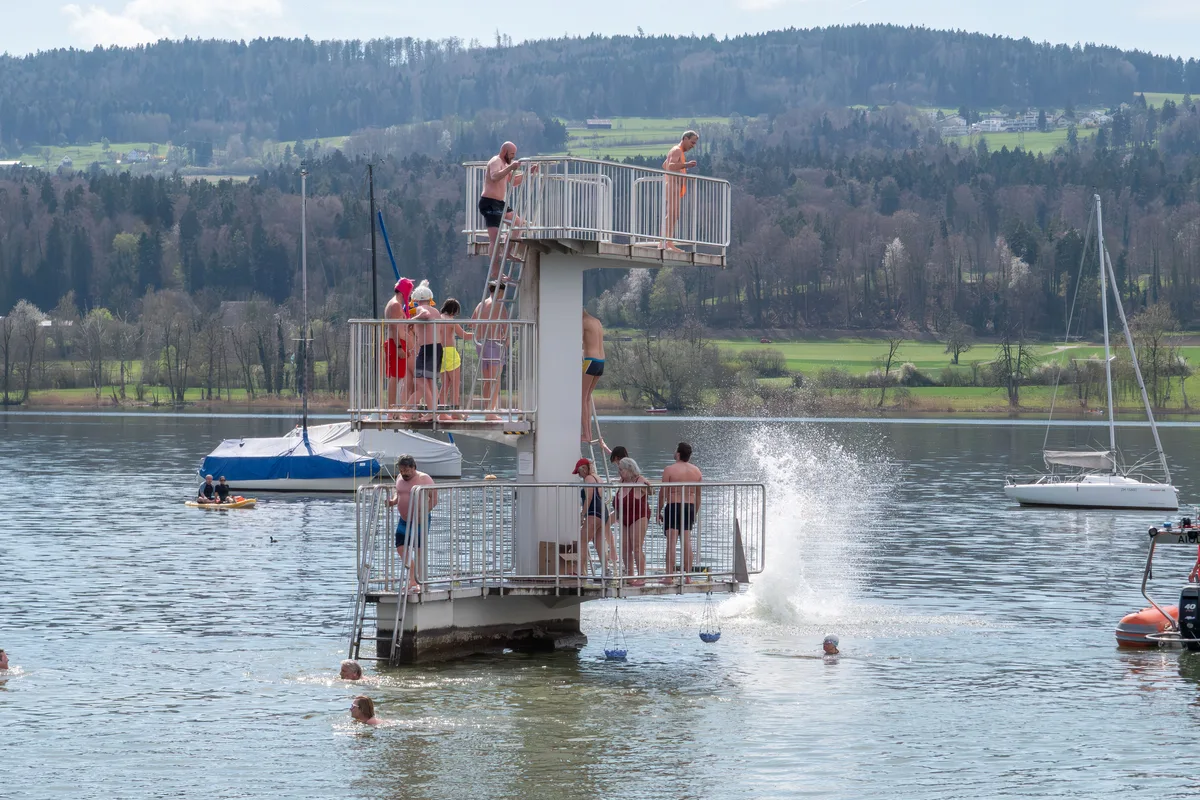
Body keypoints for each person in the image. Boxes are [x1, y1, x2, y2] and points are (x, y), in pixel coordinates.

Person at [478, 142, 537, 278]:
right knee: (495, 239)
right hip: (489, 203)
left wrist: (528, 172)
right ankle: (495, 271)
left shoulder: (505, 164)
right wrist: (511, 167)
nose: (513, 157)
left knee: (518, 223)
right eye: (511, 154)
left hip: (500, 203)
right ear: (504, 151)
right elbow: (494, 176)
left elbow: (513, 182)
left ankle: (507, 250)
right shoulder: (495, 161)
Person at [388, 454, 436, 592]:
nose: (404, 473)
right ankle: (412, 579)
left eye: (407, 470)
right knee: (400, 547)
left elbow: (434, 499)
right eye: (401, 470)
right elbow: (399, 493)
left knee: (419, 550)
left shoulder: (424, 478)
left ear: (414, 467)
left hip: (420, 521)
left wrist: (423, 513)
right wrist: (393, 501)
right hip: (404, 520)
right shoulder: (399, 477)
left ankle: (420, 581)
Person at [657, 441, 703, 583]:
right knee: (687, 541)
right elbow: (698, 495)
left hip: (674, 506)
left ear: (678, 453)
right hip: (689, 506)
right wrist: (694, 512)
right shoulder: (696, 471)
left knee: (671, 542)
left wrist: (658, 511)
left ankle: (669, 576)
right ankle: (688, 576)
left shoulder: (669, 470)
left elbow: (663, 493)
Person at [404, 280, 444, 422]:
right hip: (437, 347)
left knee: (420, 380)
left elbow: (425, 314)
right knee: (430, 381)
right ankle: (434, 412)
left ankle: (431, 411)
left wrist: (410, 321)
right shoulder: (436, 311)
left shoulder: (421, 308)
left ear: (416, 299)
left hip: (428, 348)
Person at [471, 281, 508, 421]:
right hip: (494, 343)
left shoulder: (480, 304)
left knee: (487, 380)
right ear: (500, 292)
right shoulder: (499, 305)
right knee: (495, 379)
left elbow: (472, 323)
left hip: (481, 344)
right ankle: (491, 411)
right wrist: (506, 340)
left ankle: (488, 409)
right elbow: (506, 326)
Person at [612, 457, 651, 585]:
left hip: (639, 516)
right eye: (619, 469)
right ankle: (630, 575)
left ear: (629, 469)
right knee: (625, 548)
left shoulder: (639, 480)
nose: (619, 472)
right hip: (624, 517)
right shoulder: (622, 481)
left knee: (636, 547)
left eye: (621, 470)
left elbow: (651, 491)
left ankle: (641, 577)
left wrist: (647, 487)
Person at [574, 458, 615, 577]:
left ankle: (580, 571)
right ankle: (606, 570)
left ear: (584, 469)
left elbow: (589, 497)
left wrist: (582, 514)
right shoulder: (598, 478)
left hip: (594, 512)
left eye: (579, 472)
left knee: (582, 540)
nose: (579, 475)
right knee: (598, 543)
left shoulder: (588, 478)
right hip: (603, 512)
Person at [662, 131, 699, 252]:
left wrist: (680, 171)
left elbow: (665, 164)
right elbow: (670, 166)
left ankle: (667, 241)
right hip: (672, 185)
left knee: (674, 214)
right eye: (692, 142)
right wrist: (686, 165)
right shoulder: (677, 150)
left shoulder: (677, 151)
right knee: (672, 214)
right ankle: (666, 242)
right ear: (685, 139)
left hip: (674, 185)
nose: (693, 145)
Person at [383, 279, 413, 416]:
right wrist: (399, 346)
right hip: (396, 343)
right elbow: (394, 327)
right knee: (395, 376)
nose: (410, 295)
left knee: (398, 376)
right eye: (409, 292)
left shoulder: (396, 304)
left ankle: (393, 409)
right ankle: (391, 411)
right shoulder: (395, 305)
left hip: (397, 342)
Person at [437, 298, 470, 421]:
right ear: (453, 311)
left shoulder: (437, 319)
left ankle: (442, 412)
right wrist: (478, 335)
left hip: (440, 352)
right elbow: (464, 335)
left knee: (445, 384)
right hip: (450, 352)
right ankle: (455, 412)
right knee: (455, 383)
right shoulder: (451, 321)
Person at [582, 309, 605, 443]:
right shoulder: (596, 322)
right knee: (587, 398)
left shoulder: (583, 322)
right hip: (601, 362)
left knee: (582, 398)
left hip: (590, 360)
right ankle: (588, 434)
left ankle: (587, 434)